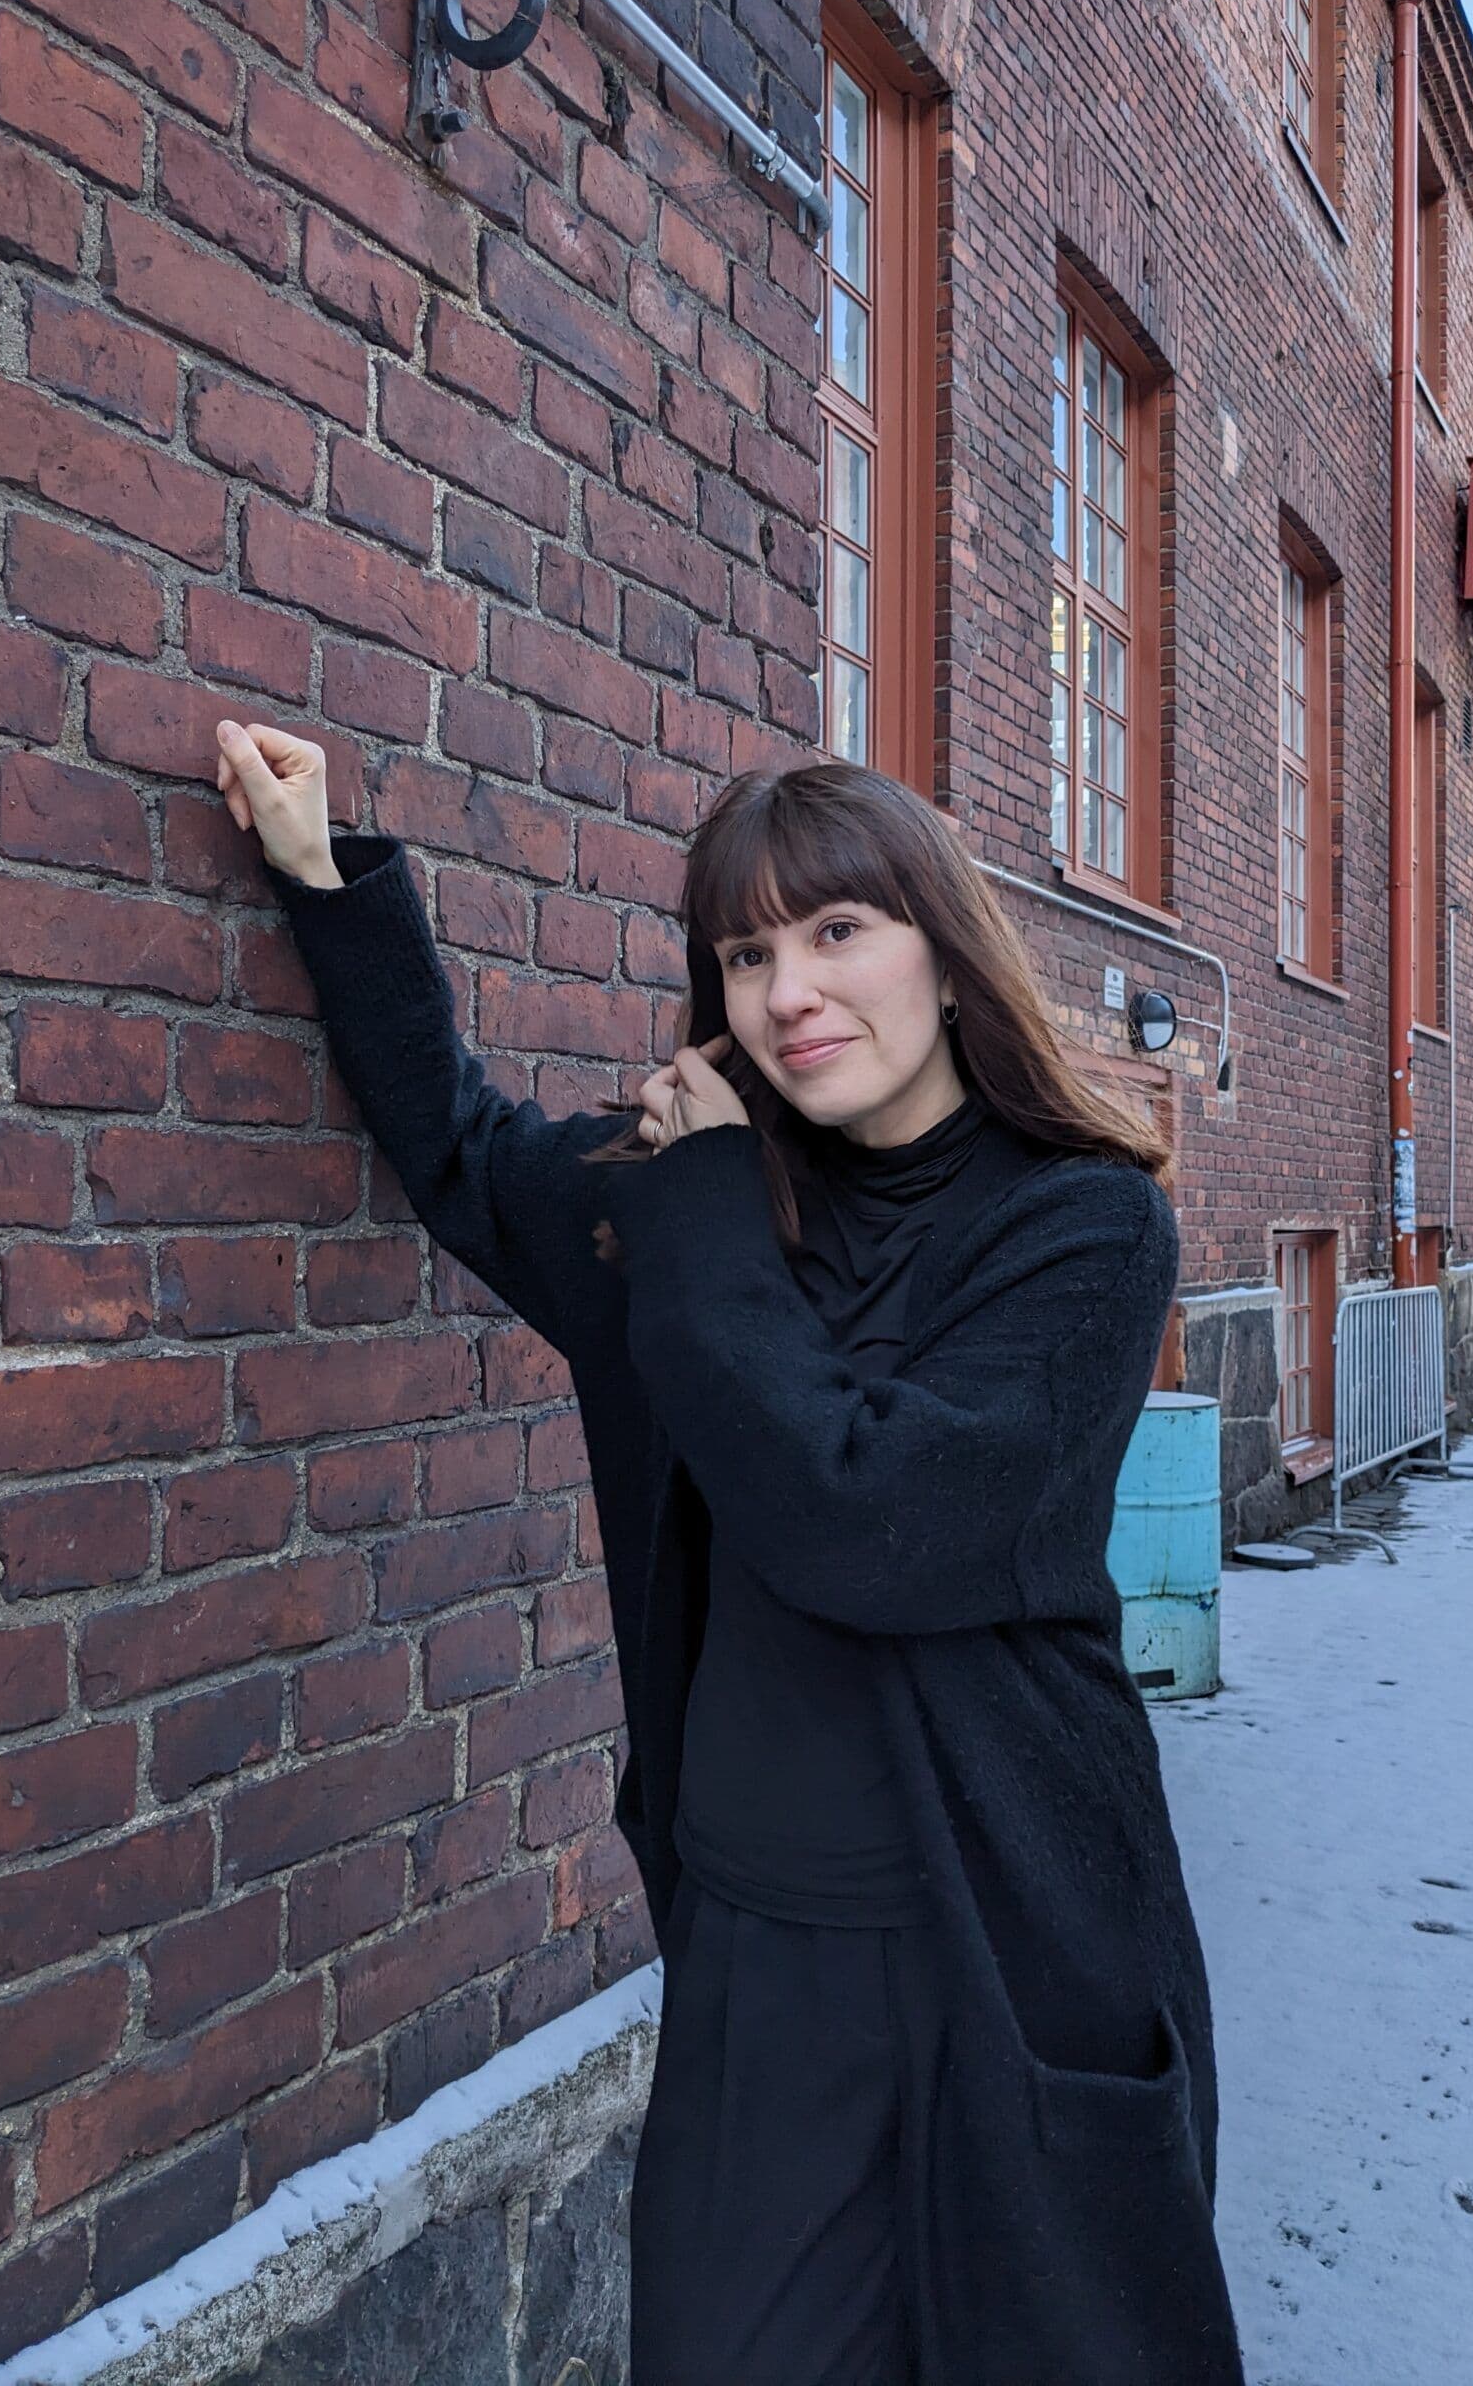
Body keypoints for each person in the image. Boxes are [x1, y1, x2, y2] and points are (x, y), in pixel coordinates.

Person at [214, 719, 1246, 2386]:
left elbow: (872, 1522)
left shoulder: (1080, 1226)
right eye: (746, 952)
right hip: (762, 1959)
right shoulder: (697, 1200)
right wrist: (329, 880)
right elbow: (464, 1153)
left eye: (837, 931)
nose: (788, 992)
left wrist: (694, 1201)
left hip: (1012, 1943)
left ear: (944, 950)